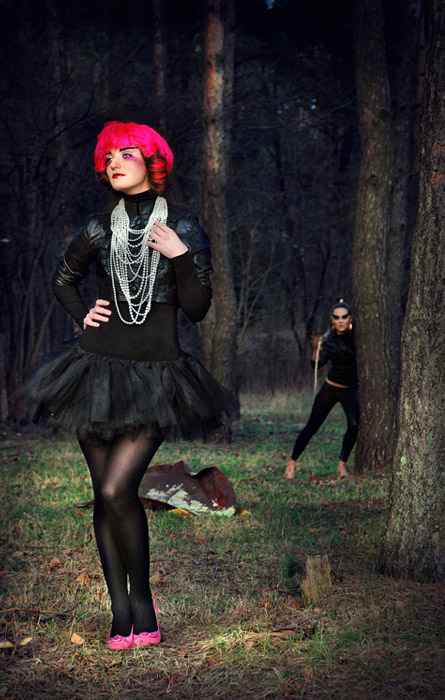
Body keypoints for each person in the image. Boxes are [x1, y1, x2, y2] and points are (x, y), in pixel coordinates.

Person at [24, 121, 238, 650]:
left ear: (152, 161)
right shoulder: (99, 228)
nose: (114, 163)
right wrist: (82, 314)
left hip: (158, 376)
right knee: (104, 495)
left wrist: (179, 255)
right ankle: (120, 613)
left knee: (117, 489)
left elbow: (198, 308)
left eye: (126, 153)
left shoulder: (183, 225)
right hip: (94, 371)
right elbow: (62, 278)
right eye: (108, 156)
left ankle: (143, 603)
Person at [285, 300, 359, 480]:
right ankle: (292, 463)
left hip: (350, 390)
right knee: (312, 426)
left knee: (354, 425)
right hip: (330, 389)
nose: (340, 321)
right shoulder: (328, 339)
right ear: (332, 320)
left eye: (344, 317)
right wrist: (315, 349)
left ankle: (342, 465)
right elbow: (316, 364)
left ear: (350, 318)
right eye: (336, 317)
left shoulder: (358, 335)